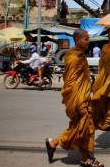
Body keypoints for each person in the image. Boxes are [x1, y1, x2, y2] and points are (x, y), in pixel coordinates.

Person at [45, 29, 104, 167]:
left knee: (80, 126)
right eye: (86, 39)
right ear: (78, 40)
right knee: (86, 125)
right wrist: (77, 101)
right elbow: (70, 82)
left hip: (84, 95)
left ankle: (53, 142)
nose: (88, 42)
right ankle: (85, 158)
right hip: (78, 98)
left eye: (88, 39)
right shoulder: (73, 57)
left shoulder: (80, 55)